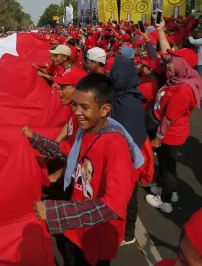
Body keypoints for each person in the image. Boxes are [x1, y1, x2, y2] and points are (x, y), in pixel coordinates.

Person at [22, 73, 135, 266]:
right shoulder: (86, 130)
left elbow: (112, 206)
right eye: (75, 105)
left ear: (104, 109)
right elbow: (66, 151)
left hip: (97, 232)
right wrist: (34, 138)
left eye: (84, 107)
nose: (76, 112)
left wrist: (56, 212)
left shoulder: (115, 145)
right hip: (77, 224)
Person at [145, 19, 202, 213]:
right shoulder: (180, 76)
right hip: (170, 133)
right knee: (168, 165)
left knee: (168, 167)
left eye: (171, 64)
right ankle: (170, 190)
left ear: (181, 66)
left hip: (170, 134)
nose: (167, 66)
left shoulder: (182, 90)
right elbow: (165, 52)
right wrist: (161, 32)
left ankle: (166, 200)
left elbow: (169, 118)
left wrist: (158, 139)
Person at [108, 55, 150, 245]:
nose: (112, 76)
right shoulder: (124, 95)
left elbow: (127, 137)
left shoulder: (127, 102)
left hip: (130, 157)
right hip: (127, 153)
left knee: (128, 194)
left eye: (115, 73)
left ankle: (128, 233)